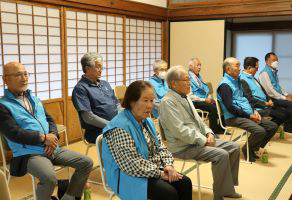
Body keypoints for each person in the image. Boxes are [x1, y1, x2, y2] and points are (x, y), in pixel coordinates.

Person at [0, 62, 93, 200]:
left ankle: (69, 197)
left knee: (86, 162)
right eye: (18, 75)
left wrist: (53, 137)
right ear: (5, 79)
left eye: (25, 74)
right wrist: (43, 138)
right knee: (49, 178)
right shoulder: (3, 105)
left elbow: (50, 120)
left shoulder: (35, 99)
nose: (24, 78)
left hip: (51, 148)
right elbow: (14, 133)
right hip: (29, 154)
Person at [159, 65, 241, 200]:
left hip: (197, 142)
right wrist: (203, 140)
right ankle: (219, 195)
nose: (189, 82)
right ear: (174, 83)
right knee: (221, 155)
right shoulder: (167, 102)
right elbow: (180, 131)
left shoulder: (185, 97)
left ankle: (227, 188)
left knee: (234, 147)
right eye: (186, 80)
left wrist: (209, 134)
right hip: (182, 147)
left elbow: (200, 122)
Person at [102, 80, 192, 200]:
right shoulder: (119, 127)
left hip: (150, 170)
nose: (150, 105)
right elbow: (132, 164)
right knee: (169, 193)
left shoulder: (146, 121)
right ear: (132, 102)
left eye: (151, 100)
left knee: (185, 183)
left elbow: (160, 146)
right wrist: (160, 174)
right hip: (128, 176)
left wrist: (168, 165)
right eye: (145, 100)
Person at [217, 57, 278, 162]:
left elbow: (247, 99)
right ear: (228, 69)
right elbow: (231, 108)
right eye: (237, 66)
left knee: (272, 126)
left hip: (247, 113)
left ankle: (253, 147)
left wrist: (254, 111)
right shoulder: (225, 85)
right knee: (260, 131)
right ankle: (247, 149)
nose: (240, 69)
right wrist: (249, 116)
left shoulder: (238, 81)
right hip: (234, 117)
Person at [72, 52, 120, 143]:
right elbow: (88, 117)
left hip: (115, 125)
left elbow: (117, 105)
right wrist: (112, 125)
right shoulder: (80, 88)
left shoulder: (105, 84)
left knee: (138, 127)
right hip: (97, 131)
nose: (101, 70)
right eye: (98, 67)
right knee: (125, 135)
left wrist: (126, 118)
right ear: (87, 68)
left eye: (102, 67)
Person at [240, 57, 288, 128]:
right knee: (282, 116)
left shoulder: (252, 77)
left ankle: (268, 127)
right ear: (249, 67)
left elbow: (263, 91)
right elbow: (250, 99)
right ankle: (267, 128)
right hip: (258, 107)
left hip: (265, 105)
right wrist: (265, 103)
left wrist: (269, 99)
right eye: (256, 68)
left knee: (286, 113)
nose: (257, 70)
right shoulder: (242, 79)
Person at [188, 58, 225, 134]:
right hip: (194, 102)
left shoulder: (198, 76)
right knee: (213, 108)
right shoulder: (188, 78)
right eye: (197, 65)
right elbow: (190, 96)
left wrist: (209, 97)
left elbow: (205, 89)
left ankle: (221, 128)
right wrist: (204, 100)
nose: (199, 67)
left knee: (222, 103)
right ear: (191, 66)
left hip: (203, 100)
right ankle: (214, 131)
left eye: (200, 65)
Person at [259, 52, 292, 132]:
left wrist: (287, 94)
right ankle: (288, 129)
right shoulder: (264, 73)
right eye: (274, 60)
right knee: (290, 104)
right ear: (267, 61)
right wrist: (285, 98)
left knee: (288, 108)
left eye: (277, 60)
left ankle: (272, 126)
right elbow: (270, 91)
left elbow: (278, 87)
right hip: (270, 99)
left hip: (276, 97)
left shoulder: (274, 72)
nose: (276, 62)